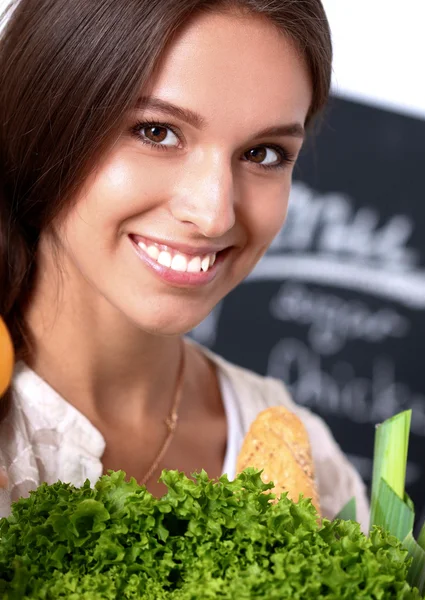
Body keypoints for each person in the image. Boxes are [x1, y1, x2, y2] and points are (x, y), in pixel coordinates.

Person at [0, 0, 369, 528]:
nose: (215, 215)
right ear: (42, 123)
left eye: (263, 153)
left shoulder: (308, 462)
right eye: (156, 131)